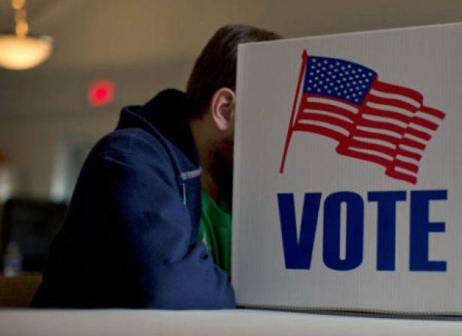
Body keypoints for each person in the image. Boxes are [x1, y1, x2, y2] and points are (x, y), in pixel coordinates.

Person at [31, 24, 281, 309]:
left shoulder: (237, 186)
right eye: (273, 118)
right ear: (225, 110)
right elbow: (174, 290)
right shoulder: (129, 159)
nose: (280, 137)